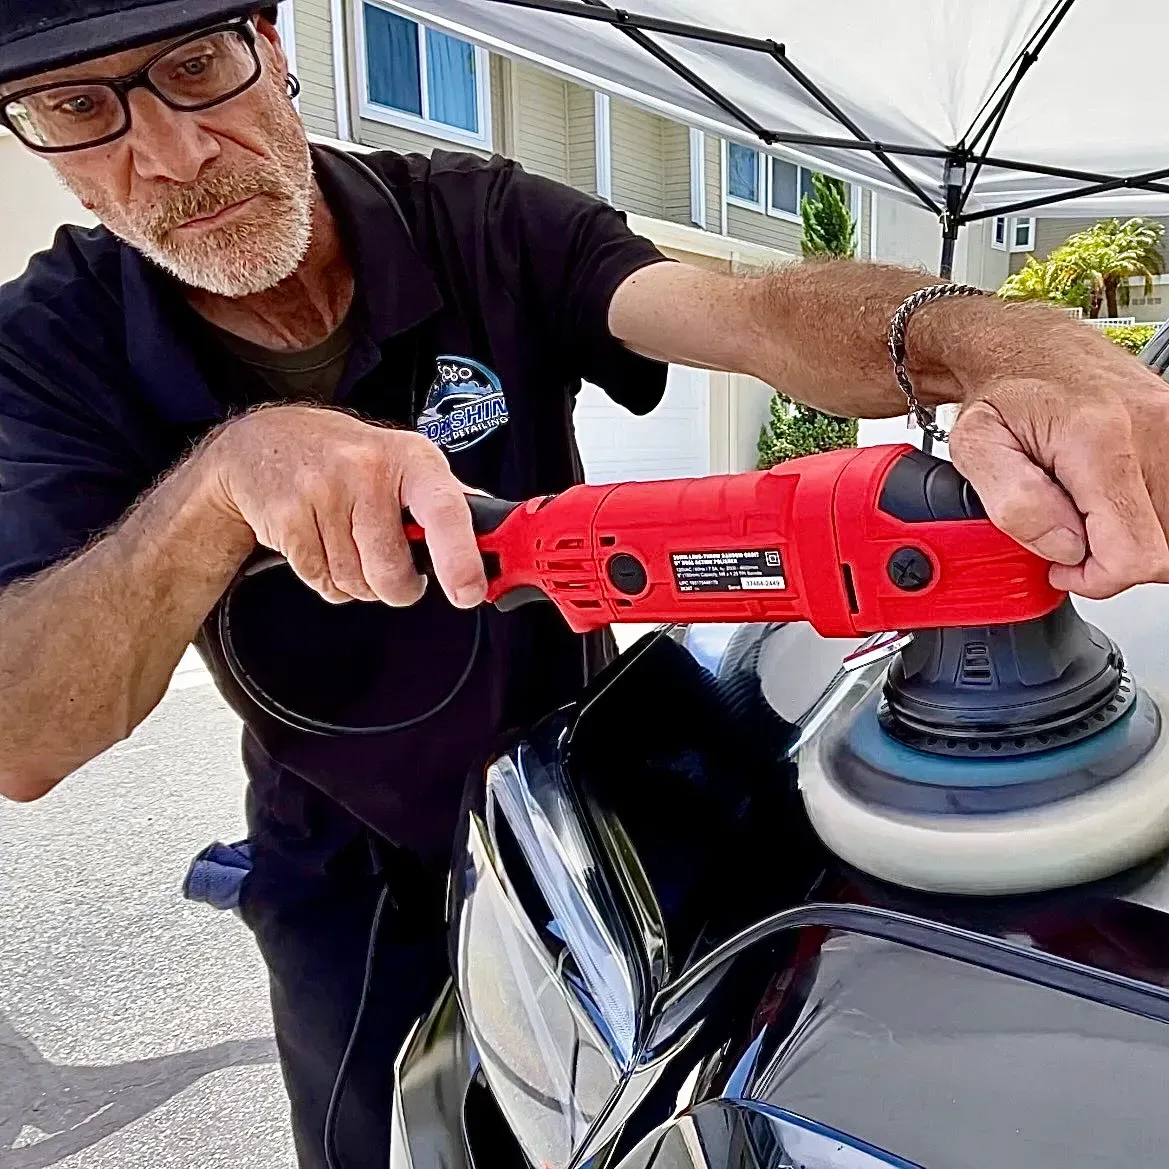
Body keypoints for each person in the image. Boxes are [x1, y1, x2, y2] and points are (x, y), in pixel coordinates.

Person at [1, 1, 1167, 1165]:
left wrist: (990, 336)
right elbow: (26, 730)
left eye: (197, 66)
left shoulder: (477, 220)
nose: (171, 152)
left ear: (274, 44)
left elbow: (743, 313)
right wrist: (218, 484)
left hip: (592, 783)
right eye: (76, 107)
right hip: (346, 860)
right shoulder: (45, 345)